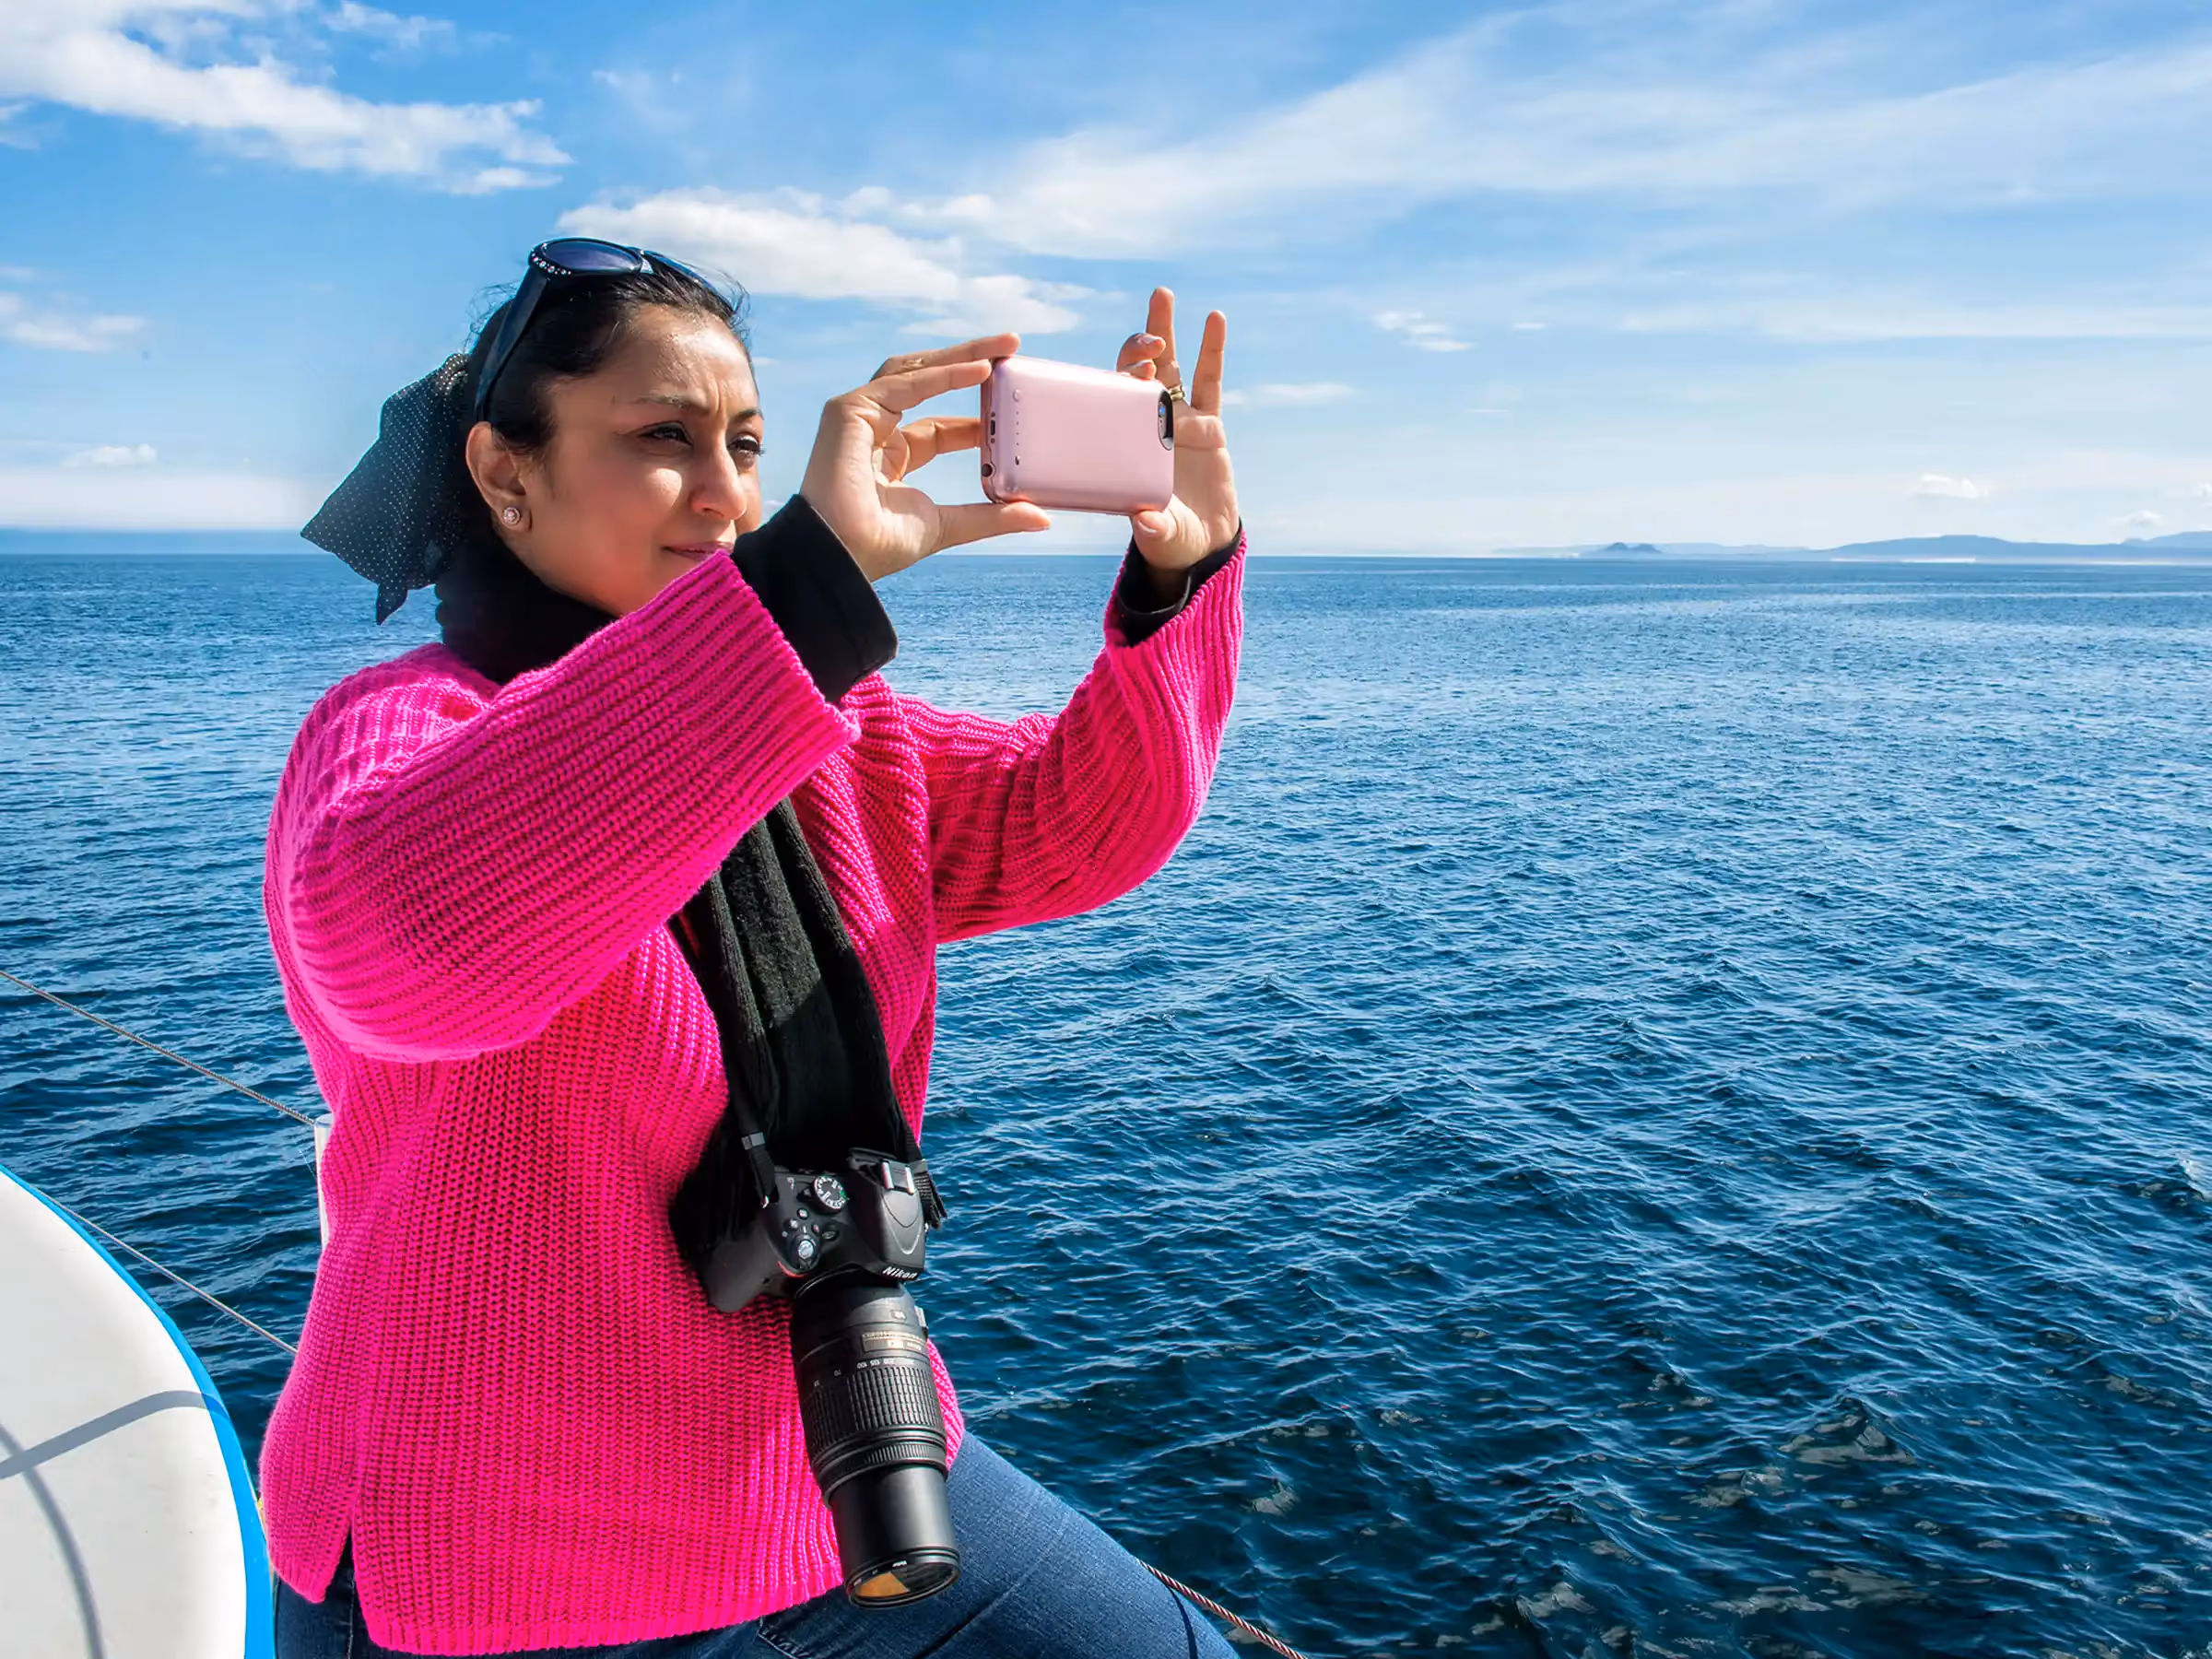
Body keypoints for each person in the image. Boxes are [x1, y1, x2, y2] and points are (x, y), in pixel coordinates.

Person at [260, 238, 1247, 1658]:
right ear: (503, 472)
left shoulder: (827, 736)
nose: (729, 494)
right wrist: (798, 593)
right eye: (663, 438)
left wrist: (1186, 561)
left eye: (745, 441)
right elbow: (408, 940)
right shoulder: (409, 730)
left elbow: (1080, 819)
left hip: (823, 1481)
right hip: (485, 1561)